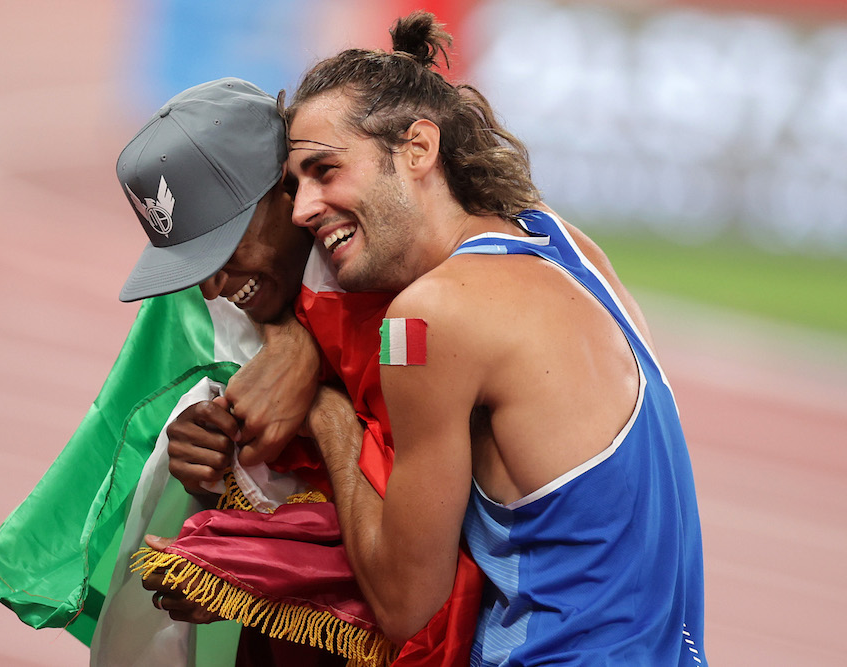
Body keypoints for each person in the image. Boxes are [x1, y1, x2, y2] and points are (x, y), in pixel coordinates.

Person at [283, 11, 707, 666]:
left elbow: (405, 603)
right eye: (293, 185)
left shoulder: (426, 317)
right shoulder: (569, 248)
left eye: (324, 170)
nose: (301, 208)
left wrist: (323, 408)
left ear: (418, 149)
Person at [106, 76, 483, 667]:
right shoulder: (270, 302)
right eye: (192, 263)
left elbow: (423, 583)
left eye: (222, 246)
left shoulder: (423, 304)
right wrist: (208, 453)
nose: (211, 286)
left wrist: (320, 408)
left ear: (291, 188)